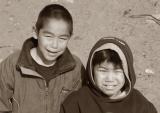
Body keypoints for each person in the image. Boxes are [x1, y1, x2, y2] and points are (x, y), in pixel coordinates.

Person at [0, 4, 85, 113]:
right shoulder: (13, 65)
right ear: (35, 32)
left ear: (70, 37)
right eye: (48, 36)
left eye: (62, 38)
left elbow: (81, 104)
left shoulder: (75, 68)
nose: (54, 45)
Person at [60, 37, 157, 113]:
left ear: (127, 73)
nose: (110, 79)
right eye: (103, 70)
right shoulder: (77, 102)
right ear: (91, 70)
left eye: (117, 71)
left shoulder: (140, 105)